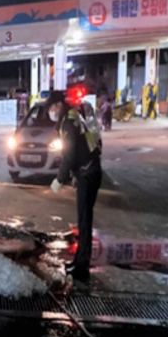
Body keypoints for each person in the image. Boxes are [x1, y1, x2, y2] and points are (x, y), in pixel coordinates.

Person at [49, 90, 102, 281]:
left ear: (59, 106)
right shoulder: (72, 117)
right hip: (87, 172)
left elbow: (69, 155)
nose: (51, 111)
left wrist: (60, 179)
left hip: (89, 174)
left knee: (84, 222)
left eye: (52, 107)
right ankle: (79, 261)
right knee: (83, 222)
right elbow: (81, 149)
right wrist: (75, 174)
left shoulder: (69, 123)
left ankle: (82, 267)